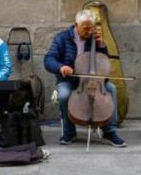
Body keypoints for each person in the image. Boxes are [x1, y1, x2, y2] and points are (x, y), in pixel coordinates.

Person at [44, 8, 126, 147]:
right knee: (63, 95)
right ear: (76, 25)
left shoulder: (94, 39)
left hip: (93, 80)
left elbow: (103, 62)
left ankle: (110, 132)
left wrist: (101, 46)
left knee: (111, 89)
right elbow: (49, 59)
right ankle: (69, 132)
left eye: (91, 28)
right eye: (85, 29)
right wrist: (61, 67)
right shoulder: (62, 38)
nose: (88, 32)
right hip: (69, 80)